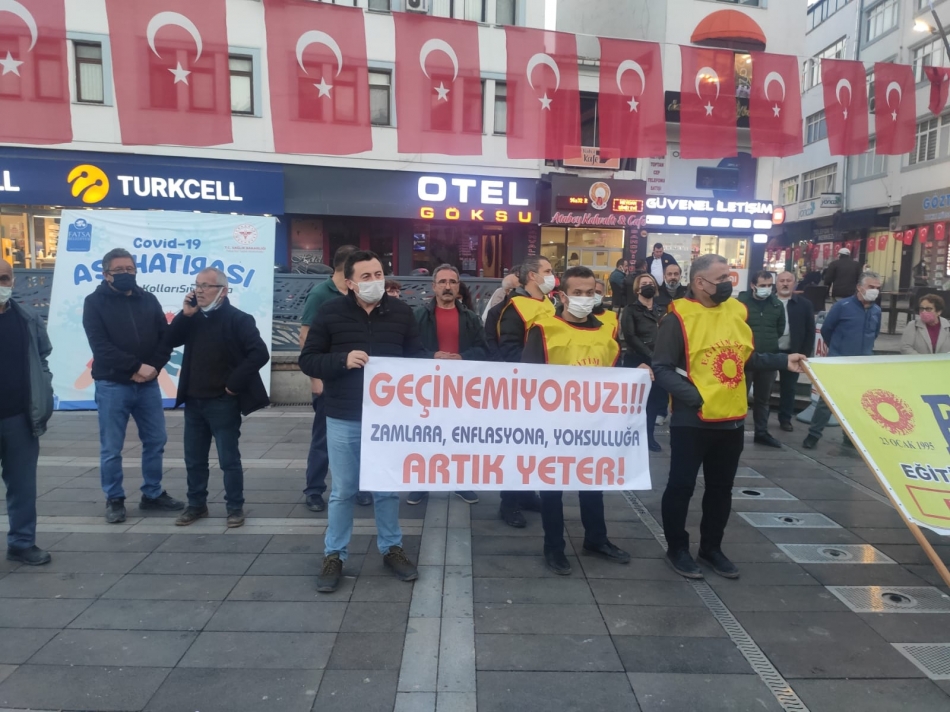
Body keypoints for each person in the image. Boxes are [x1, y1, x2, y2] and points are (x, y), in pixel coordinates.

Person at [653, 254, 805, 580]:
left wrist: (783, 361)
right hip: (692, 421)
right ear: (699, 282)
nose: (728, 284)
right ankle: (677, 548)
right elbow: (661, 369)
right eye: (721, 278)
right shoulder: (677, 317)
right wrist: (696, 398)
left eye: (729, 277)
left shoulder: (736, 311)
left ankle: (711, 548)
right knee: (681, 486)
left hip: (732, 418)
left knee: (721, 489)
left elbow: (746, 358)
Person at [300, 250, 423, 593]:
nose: (374, 281)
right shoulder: (330, 312)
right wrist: (341, 360)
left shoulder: (401, 313)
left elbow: (417, 359)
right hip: (344, 416)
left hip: (388, 420)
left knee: (386, 489)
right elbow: (308, 360)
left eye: (378, 274)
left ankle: (392, 548)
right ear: (351, 283)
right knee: (343, 491)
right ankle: (334, 554)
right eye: (366, 277)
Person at [522, 266, 632, 575]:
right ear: (563, 296)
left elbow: (614, 376)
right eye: (578, 292)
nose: (585, 297)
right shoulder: (544, 330)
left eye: (591, 292)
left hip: (594, 425)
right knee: (552, 488)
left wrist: (637, 375)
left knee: (593, 483)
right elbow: (527, 379)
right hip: (554, 426)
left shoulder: (607, 331)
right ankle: (554, 547)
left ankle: (596, 539)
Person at [82, 248, 183, 524]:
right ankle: (114, 498)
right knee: (111, 447)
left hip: (148, 385)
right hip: (112, 384)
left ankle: (152, 493)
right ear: (106, 274)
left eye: (130, 269)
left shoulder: (148, 299)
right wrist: (136, 367)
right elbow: (100, 346)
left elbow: (165, 339)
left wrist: (153, 368)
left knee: (156, 440)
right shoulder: (94, 303)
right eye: (119, 270)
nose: (126, 274)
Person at [167, 268, 270, 529]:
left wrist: (233, 385)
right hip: (194, 400)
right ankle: (196, 505)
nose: (199, 290)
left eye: (206, 286)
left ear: (222, 291)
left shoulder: (238, 319)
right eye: (197, 285)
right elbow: (169, 340)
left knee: (228, 459)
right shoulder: (192, 317)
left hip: (222, 402)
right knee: (194, 459)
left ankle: (234, 507)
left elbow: (259, 354)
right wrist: (184, 315)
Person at [409, 264, 488, 505]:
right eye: (442, 282)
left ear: (458, 287)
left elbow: (484, 350)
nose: (447, 286)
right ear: (433, 286)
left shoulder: (471, 318)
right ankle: (421, 483)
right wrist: (432, 356)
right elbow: (408, 351)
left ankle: (461, 482)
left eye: (452, 282)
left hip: (461, 389)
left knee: (460, 437)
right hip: (427, 389)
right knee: (426, 436)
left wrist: (463, 358)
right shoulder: (418, 316)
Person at [299, 245, 369, 512]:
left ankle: (361, 487)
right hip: (329, 378)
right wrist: (316, 379)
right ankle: (314, 489)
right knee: (323, 438)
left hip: (358, 384)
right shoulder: (321, 294)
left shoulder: (358, 295)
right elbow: (306, 337)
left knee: (361, 438)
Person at [494, 256, 555, 527]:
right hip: (524, 388)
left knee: (535, 447)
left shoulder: (548, 303)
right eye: (548, 271)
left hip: (546, 388)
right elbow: (509, 348)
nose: (552, 276)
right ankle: (509, 503)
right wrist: (532, 373)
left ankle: (528, 494)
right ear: (532, 276)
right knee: (516, 448)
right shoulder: (515, 307)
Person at [1, 261, 53, 566]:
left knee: (22, 486)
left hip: (18, 419)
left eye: (4, 278)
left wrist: (44, 390)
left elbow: (42, 356)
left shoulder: (27, 318)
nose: (1, 284)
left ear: (12, 281)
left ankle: (22, 542)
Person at [803, 272, 883, 449]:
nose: (875, 291)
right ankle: (813, 435)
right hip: (839, 362)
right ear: (859, 287)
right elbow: (827, 330)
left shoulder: (876, 311)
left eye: (877, 288)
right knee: (827, 402)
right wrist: (838, 350)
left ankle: (850, 437)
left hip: (863, 364)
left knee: (856, 402)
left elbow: (875, 333)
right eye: (871, 287)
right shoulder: (842, 306)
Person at [737, 271, 786, 449]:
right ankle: (735, 431)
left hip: (769, 358)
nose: (766, 289)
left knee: (763, 399)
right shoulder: (740, 304)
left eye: (769, 285)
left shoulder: (777, 305)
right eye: (762, 285)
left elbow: (780, 329)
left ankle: (761, 432)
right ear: (753, 285)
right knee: (739, 398)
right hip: (747, 358)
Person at [621, 273, 666, 452]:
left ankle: (649, 436)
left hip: (658, 360)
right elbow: (630, 336)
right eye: (644, 283)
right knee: (636, 402)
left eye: (651, 283)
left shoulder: (662, 310)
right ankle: (629, 435)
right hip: (637, 359)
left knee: (653, 401)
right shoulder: (630, 310)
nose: (648, 286)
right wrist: (650, 354)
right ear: (637, 289)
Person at [775, 271, 816, 431]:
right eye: (782, 281)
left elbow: (810, 331)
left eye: (789, 281)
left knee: (789, 388)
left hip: (793, 353)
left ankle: (785, 419)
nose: (785, 284)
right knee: (765, 389)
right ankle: (761, 422)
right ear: (776, 283)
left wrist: (803, 354)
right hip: (770, 352)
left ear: (794, 283)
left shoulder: (805, 305)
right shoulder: (769, 302)